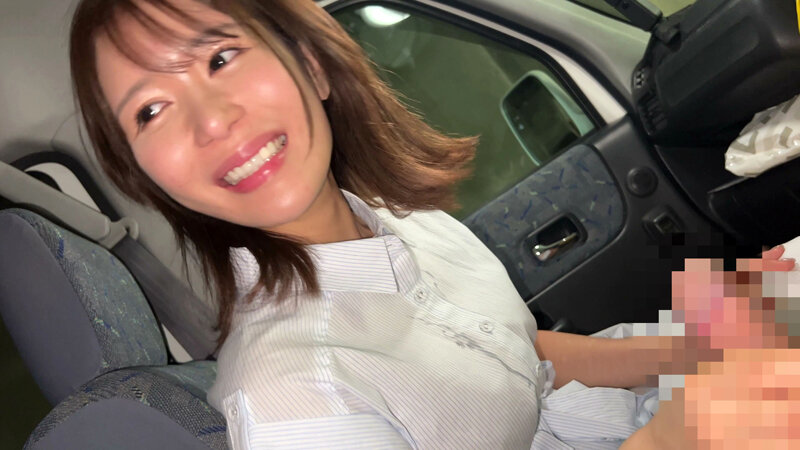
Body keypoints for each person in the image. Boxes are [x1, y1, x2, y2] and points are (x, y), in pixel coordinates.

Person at [67, 0, 796, 448]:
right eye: (150, 111)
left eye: (222, 56)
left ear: (311, 66)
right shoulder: (292, 399)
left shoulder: (401, 221)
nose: (212, 120)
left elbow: (518, 355)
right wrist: (692, 428)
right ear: (145, 176)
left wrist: (695, 349)